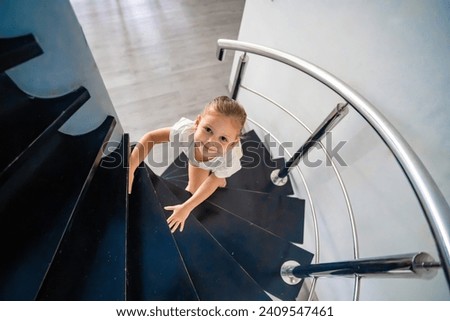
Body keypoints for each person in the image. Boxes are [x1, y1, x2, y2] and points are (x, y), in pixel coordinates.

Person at [128, 96, 247, 233]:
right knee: (193, 190)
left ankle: (222, 179)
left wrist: (186, 208)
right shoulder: (185, 133)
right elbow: (152, 138)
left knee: (217, 178)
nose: (210, 142)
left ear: (232, 143)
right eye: (208, 130)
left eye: (223, 138)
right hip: (197, 160)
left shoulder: (228, 159)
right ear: (197, 123)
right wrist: (131, 167)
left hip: (217, 163)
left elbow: (212, 182)